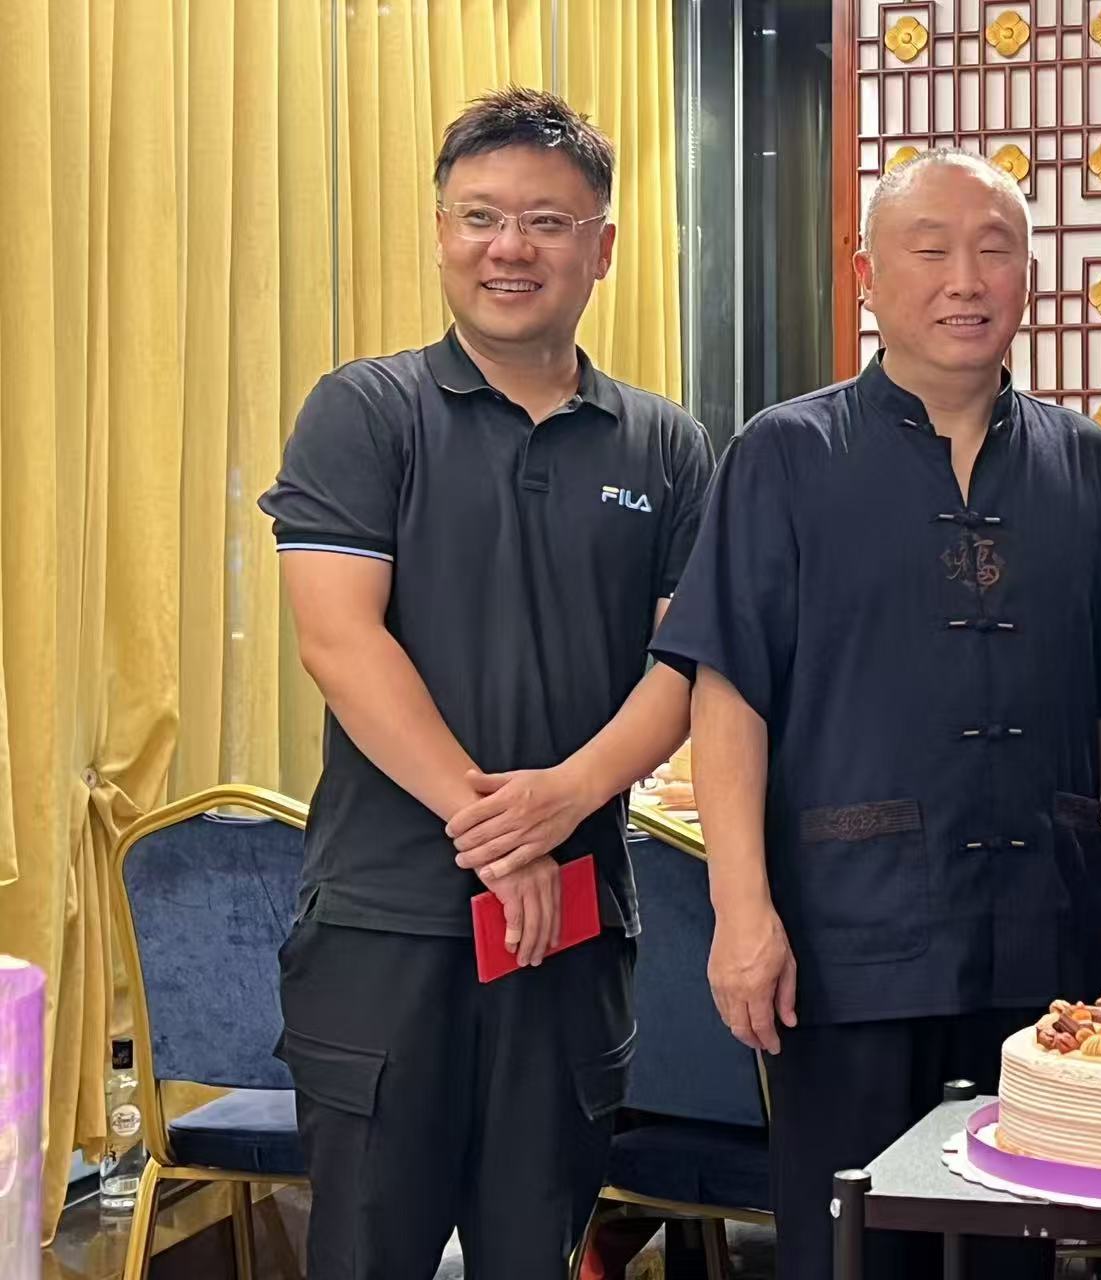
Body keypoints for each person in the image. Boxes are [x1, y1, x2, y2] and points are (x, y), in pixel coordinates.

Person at [650, 148, 1101, 1279]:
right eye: (929, 249)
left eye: (994, 250)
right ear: (866, 275)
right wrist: (742, 911)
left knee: (1015, 1243)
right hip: (847, 938)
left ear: (1028, 276)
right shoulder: (785, 454)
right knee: (850, 1248)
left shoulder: (1088, 466)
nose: (964, 279)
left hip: (1041, 934)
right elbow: (729, 691)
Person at [259, 87, 711, 1279]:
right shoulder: (365, 410)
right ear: (442, 232)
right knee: (367, 1252)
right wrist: (500, 830)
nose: (510, 247)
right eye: (480, 216)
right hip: (386, 925)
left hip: (571, 933)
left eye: (547, 222)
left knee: (537, 1246)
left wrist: (567, 797)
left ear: (601, 248)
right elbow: (339, 640)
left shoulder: (665, 445)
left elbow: (687, 665)